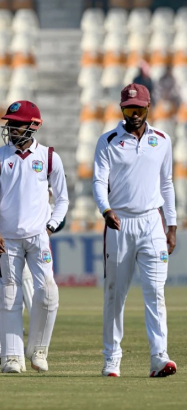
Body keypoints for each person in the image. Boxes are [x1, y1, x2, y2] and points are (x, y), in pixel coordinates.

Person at [93, 83, 177, 378]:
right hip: (119, 222)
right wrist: (106, 210)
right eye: (129, 109)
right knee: (115, 294)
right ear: (121, 109)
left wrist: (172, 224)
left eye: (139, 109)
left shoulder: (163, 140)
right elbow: (99, 182)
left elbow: (167, 184)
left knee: (155, 292)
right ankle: (112, 358)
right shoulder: (108, 141)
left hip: (152, 222)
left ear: (148, 108)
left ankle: (159, 357)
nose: (134, 115)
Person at [0, 100, 69, 374]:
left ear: (33, 126)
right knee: (9, 295)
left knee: (48, 293)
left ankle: (38, 350)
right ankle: (12, 356)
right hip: (7, 239)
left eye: (16, 124)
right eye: (9, 123)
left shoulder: (49, 157)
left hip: (38, 237)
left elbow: (63, 199)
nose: (10, 128)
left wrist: (50, 226)